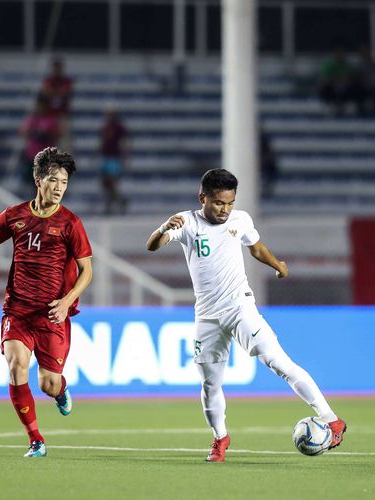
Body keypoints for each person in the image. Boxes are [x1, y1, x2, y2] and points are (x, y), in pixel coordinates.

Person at [146, 168, 346, 462]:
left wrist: (276, 263)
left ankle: (331, 420)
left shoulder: (240, 220)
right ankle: (220, 439)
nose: (225, 210)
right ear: (203, 198)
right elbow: (152, 246)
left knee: (279, 362)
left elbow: (255, 247)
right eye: (218, 203)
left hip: (240, 307)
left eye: (230, 203)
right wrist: (163, 228)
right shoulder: (186, 222)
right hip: (207, 317)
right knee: (210, 383)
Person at [0, 147, 93, 458]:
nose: (59, 188)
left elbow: (87, 270)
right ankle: (36, 440)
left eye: (64, 183)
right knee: (16, 367)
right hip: (18, 310)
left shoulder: (70, 223)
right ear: (38, 179)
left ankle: (62, 390)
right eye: (53, 181)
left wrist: (67, 301)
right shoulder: (14, 216)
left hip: (52, 315)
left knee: (48, 384)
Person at [19, 94, 60, 191]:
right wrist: (33, 133)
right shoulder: (33, 119)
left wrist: (45, 135)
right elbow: (23, 132)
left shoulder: (51, 120)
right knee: (33, 181)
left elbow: (57, 134)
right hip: (32, 155)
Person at [99, 108, 130, 214]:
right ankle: (121, 201)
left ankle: (110, 206)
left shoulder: (119, 128)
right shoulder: (105, 128)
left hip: (114, 158)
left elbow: (124, 142)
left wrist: (125, 157)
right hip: (106, 157)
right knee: (106, 183)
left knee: (112, 182)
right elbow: (102, 143)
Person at [40, 57, 74, 152]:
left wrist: (53, 92)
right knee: (50, 143)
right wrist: (57, 92)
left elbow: (65, 92)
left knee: (65, 142)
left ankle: (66, 164)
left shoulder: (66, 81)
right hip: (50, 116)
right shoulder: (49, 80)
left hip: (63, 115)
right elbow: (46, 92)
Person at [318, 47, 352, 116]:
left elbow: (350, 78)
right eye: (338, 53)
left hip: (344, 87)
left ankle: (343, 106)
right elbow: (325, 78)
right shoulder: (329, 65)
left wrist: (343, 81)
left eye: (341, 53)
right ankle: (331, 105)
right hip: (331, 87)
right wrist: (335, 81)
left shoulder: (347, 66)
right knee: (327, 88)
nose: (340, 55)